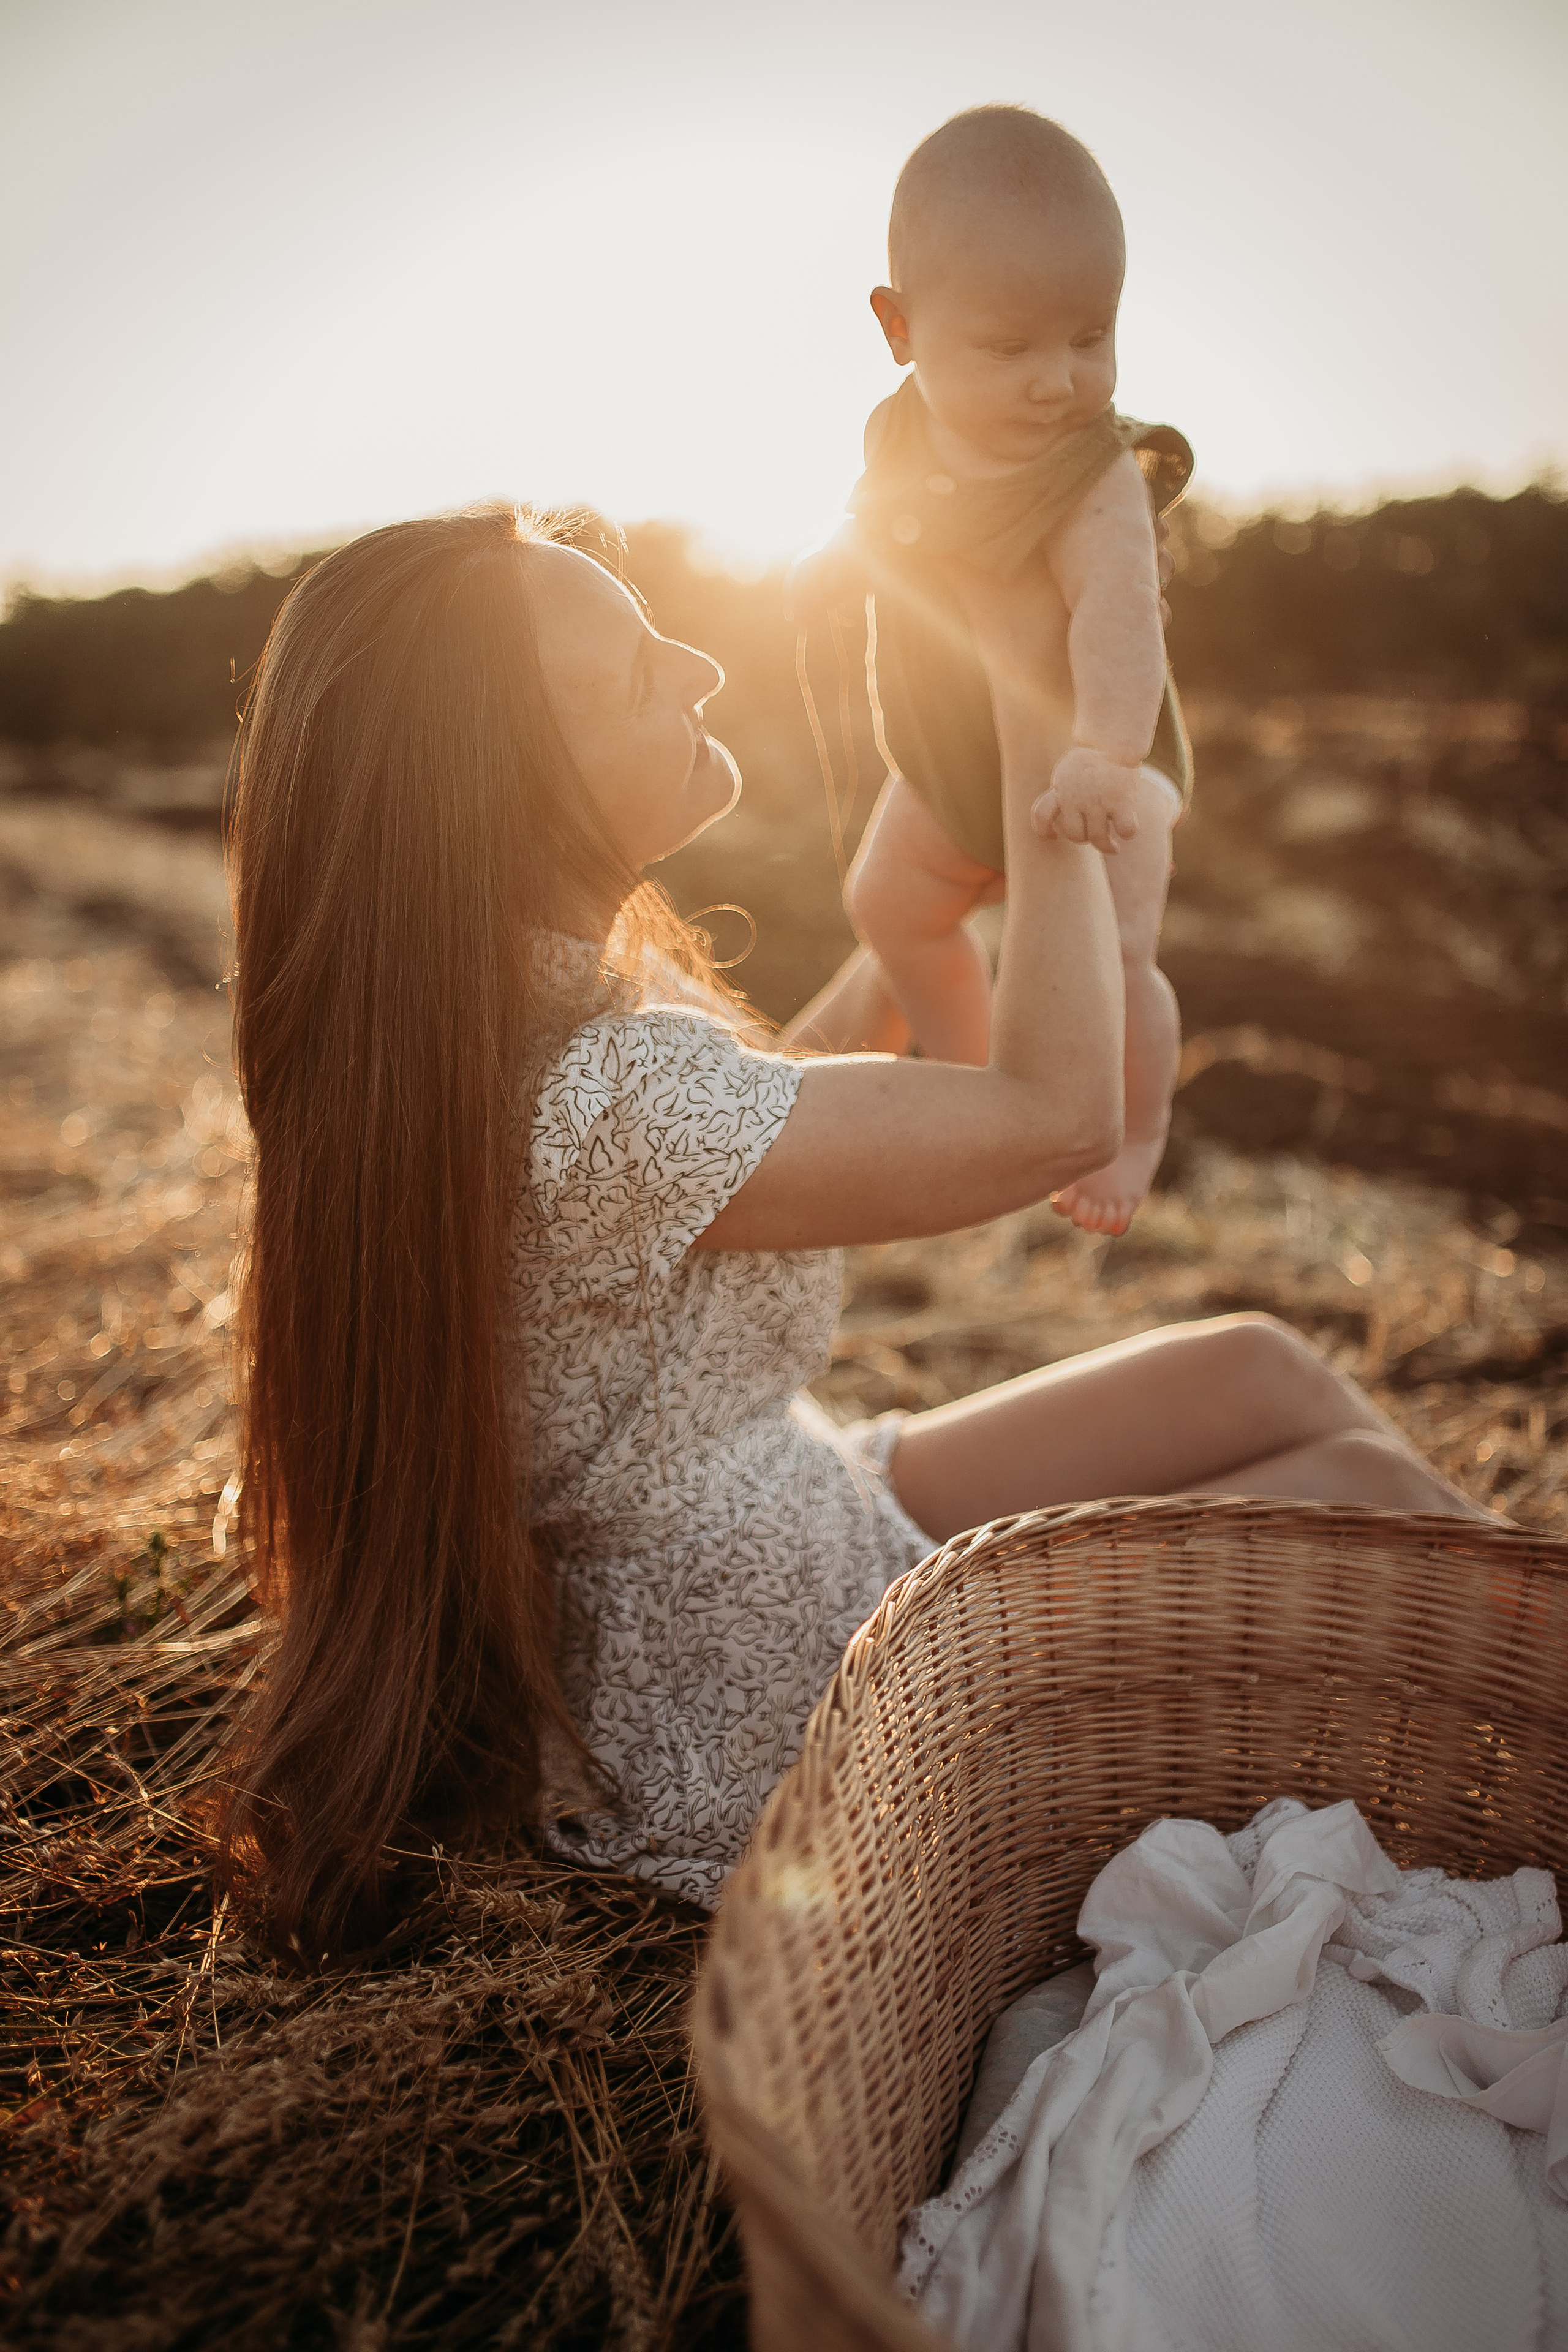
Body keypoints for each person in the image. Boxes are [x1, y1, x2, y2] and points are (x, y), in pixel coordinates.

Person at [221, 504, 1486, 1952]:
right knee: (1356, 1490)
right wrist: (1038, 744)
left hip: (774, 1505)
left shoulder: (490, 1025)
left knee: (1254, 1367)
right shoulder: (604, 1099)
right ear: (499, 788)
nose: (699, 668)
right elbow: (1055, 1117)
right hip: (773, 1656)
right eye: (636, 675)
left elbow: (765, 1111)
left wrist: (907, 910)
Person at [791, 105, 1189, 1237]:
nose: (1057, 381)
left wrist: (1106, 754)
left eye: (1090, 337)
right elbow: (878, 526)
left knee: (1117, 962)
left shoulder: (1091, 473)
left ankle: (1137, 1131)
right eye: (1011, 349)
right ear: (900, 327)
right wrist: (835, 570)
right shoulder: (898, 432)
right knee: (885, 904)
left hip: (1090, 776)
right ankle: (975, 1082)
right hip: (951, 770)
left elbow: (1122, 616)